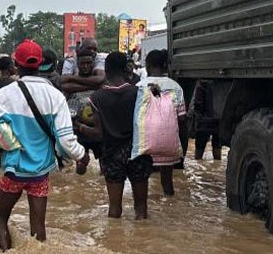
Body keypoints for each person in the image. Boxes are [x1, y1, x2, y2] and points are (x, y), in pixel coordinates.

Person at [0, 39, 86, 250]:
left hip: (14, 171)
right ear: (40, 63)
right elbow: (65, 141)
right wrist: (81, 155)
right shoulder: (55, 96)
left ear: (16, 64)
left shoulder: (2, 96)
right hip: (40, 174)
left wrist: (0, 145)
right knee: (38, 229)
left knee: (0, 220)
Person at [79, 52, 153, 220]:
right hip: (138, 153)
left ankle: (113, 236)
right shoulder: (139, 93)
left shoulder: (96, 98)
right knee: (141, 209)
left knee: (114, 209)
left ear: (106, 70)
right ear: (126, 69)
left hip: (111, 155)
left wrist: (81, 127)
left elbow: (98, 134)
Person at [140, 49, 187, 195]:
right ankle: (169, 200)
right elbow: (182, 118)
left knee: (142, 182)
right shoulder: (176, 87)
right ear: (165, 66)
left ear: (147, 66)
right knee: (167, 183)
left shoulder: (139, 86)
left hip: (145, 144)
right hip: (169, 145)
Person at [62, 48, 104, 174]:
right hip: (78, 130)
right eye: (82, 63)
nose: (85, 66)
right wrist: (93, 85)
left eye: (88, 63)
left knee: (105, 170)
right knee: (80, 170)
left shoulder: (100, 79)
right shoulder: (71, 81)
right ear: (77, 64)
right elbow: (64, 87)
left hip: (98, 130)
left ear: (93, 63)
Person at [189, 80, 222, 161]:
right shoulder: (220, 84)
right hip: (217, 120)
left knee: (198, 153)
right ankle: (216, 165)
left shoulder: (201, 84)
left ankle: (198, 166)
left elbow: (197, 104)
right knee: (217, 150)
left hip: (203, 122)